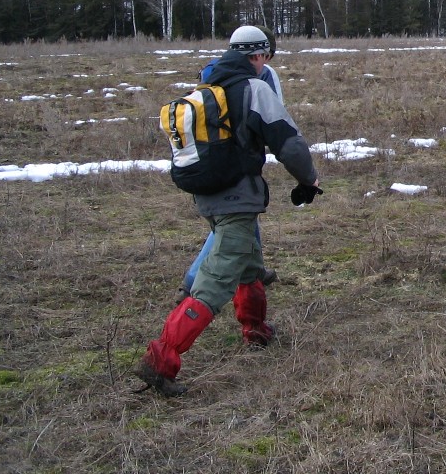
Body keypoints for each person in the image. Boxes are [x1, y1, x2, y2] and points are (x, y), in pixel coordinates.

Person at [136, 25, 322, 397]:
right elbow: (289, 144)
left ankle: (256, 330)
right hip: (236, 200)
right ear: (260, 55)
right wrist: (308, 180)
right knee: (213, 284)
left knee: (248, 264)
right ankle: (161, 359)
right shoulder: (254, 88)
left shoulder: (207, 86)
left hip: (209, 197)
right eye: (265, 56)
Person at [179, 26, 282, 299]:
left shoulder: (214, 71)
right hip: (240, 158)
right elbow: (275, 116)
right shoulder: (265, 75)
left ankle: (254, 271)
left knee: (240, 217)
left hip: (209, 155)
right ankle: (192, 282)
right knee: (235, 218)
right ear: (264, 53)